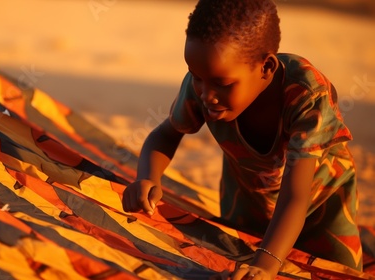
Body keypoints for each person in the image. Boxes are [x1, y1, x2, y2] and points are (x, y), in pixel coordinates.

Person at [121, 0, 362, 279]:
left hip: (320, 209)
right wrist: (147, 178)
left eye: (222, 85)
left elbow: (295, 196)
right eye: (196, 77)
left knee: (338, 272)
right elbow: (164, 135)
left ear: (266, 68)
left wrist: (266, 263)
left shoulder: (306, 96)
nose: (206, 94)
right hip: (247, 202)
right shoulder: (206, 82)